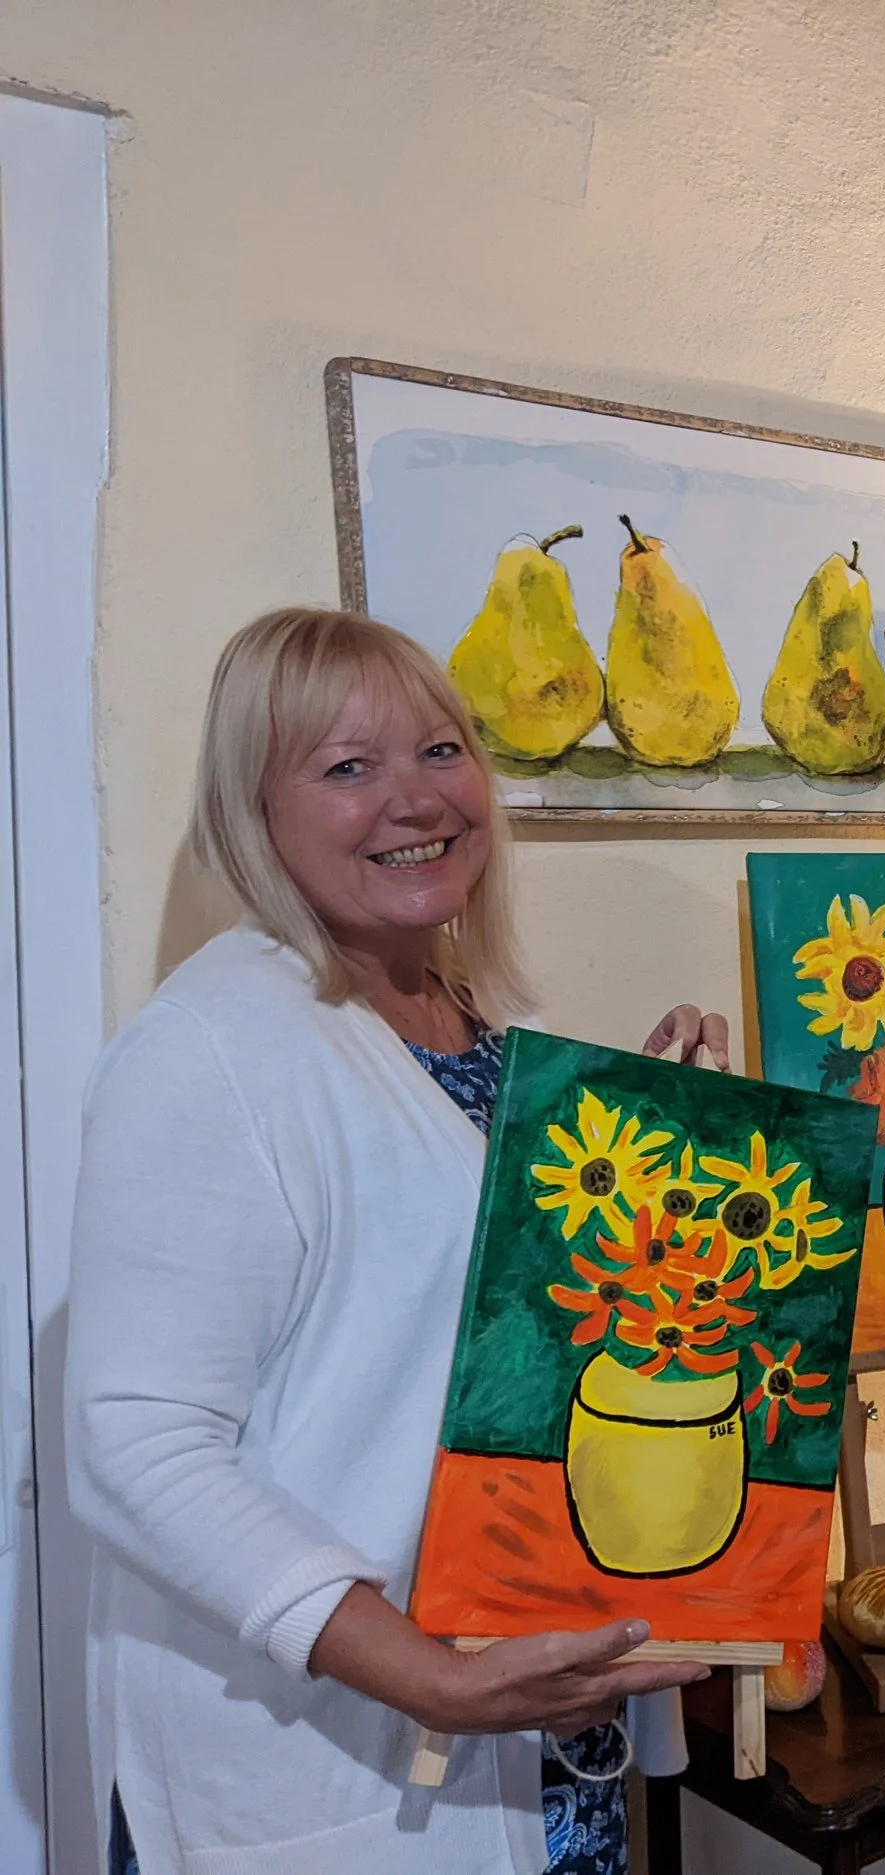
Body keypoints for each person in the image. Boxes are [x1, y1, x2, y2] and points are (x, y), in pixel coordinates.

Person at [65, 608, 737, 1875]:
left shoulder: (461, 1014)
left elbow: (453, 1316)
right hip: (350, 1744)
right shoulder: (208, 1054)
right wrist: (424, 1673)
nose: (415, 799)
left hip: (528, 1714)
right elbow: (134, 1443)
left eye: (441, 750)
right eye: (346, 767)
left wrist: (641, 1156)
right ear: (253, 812)